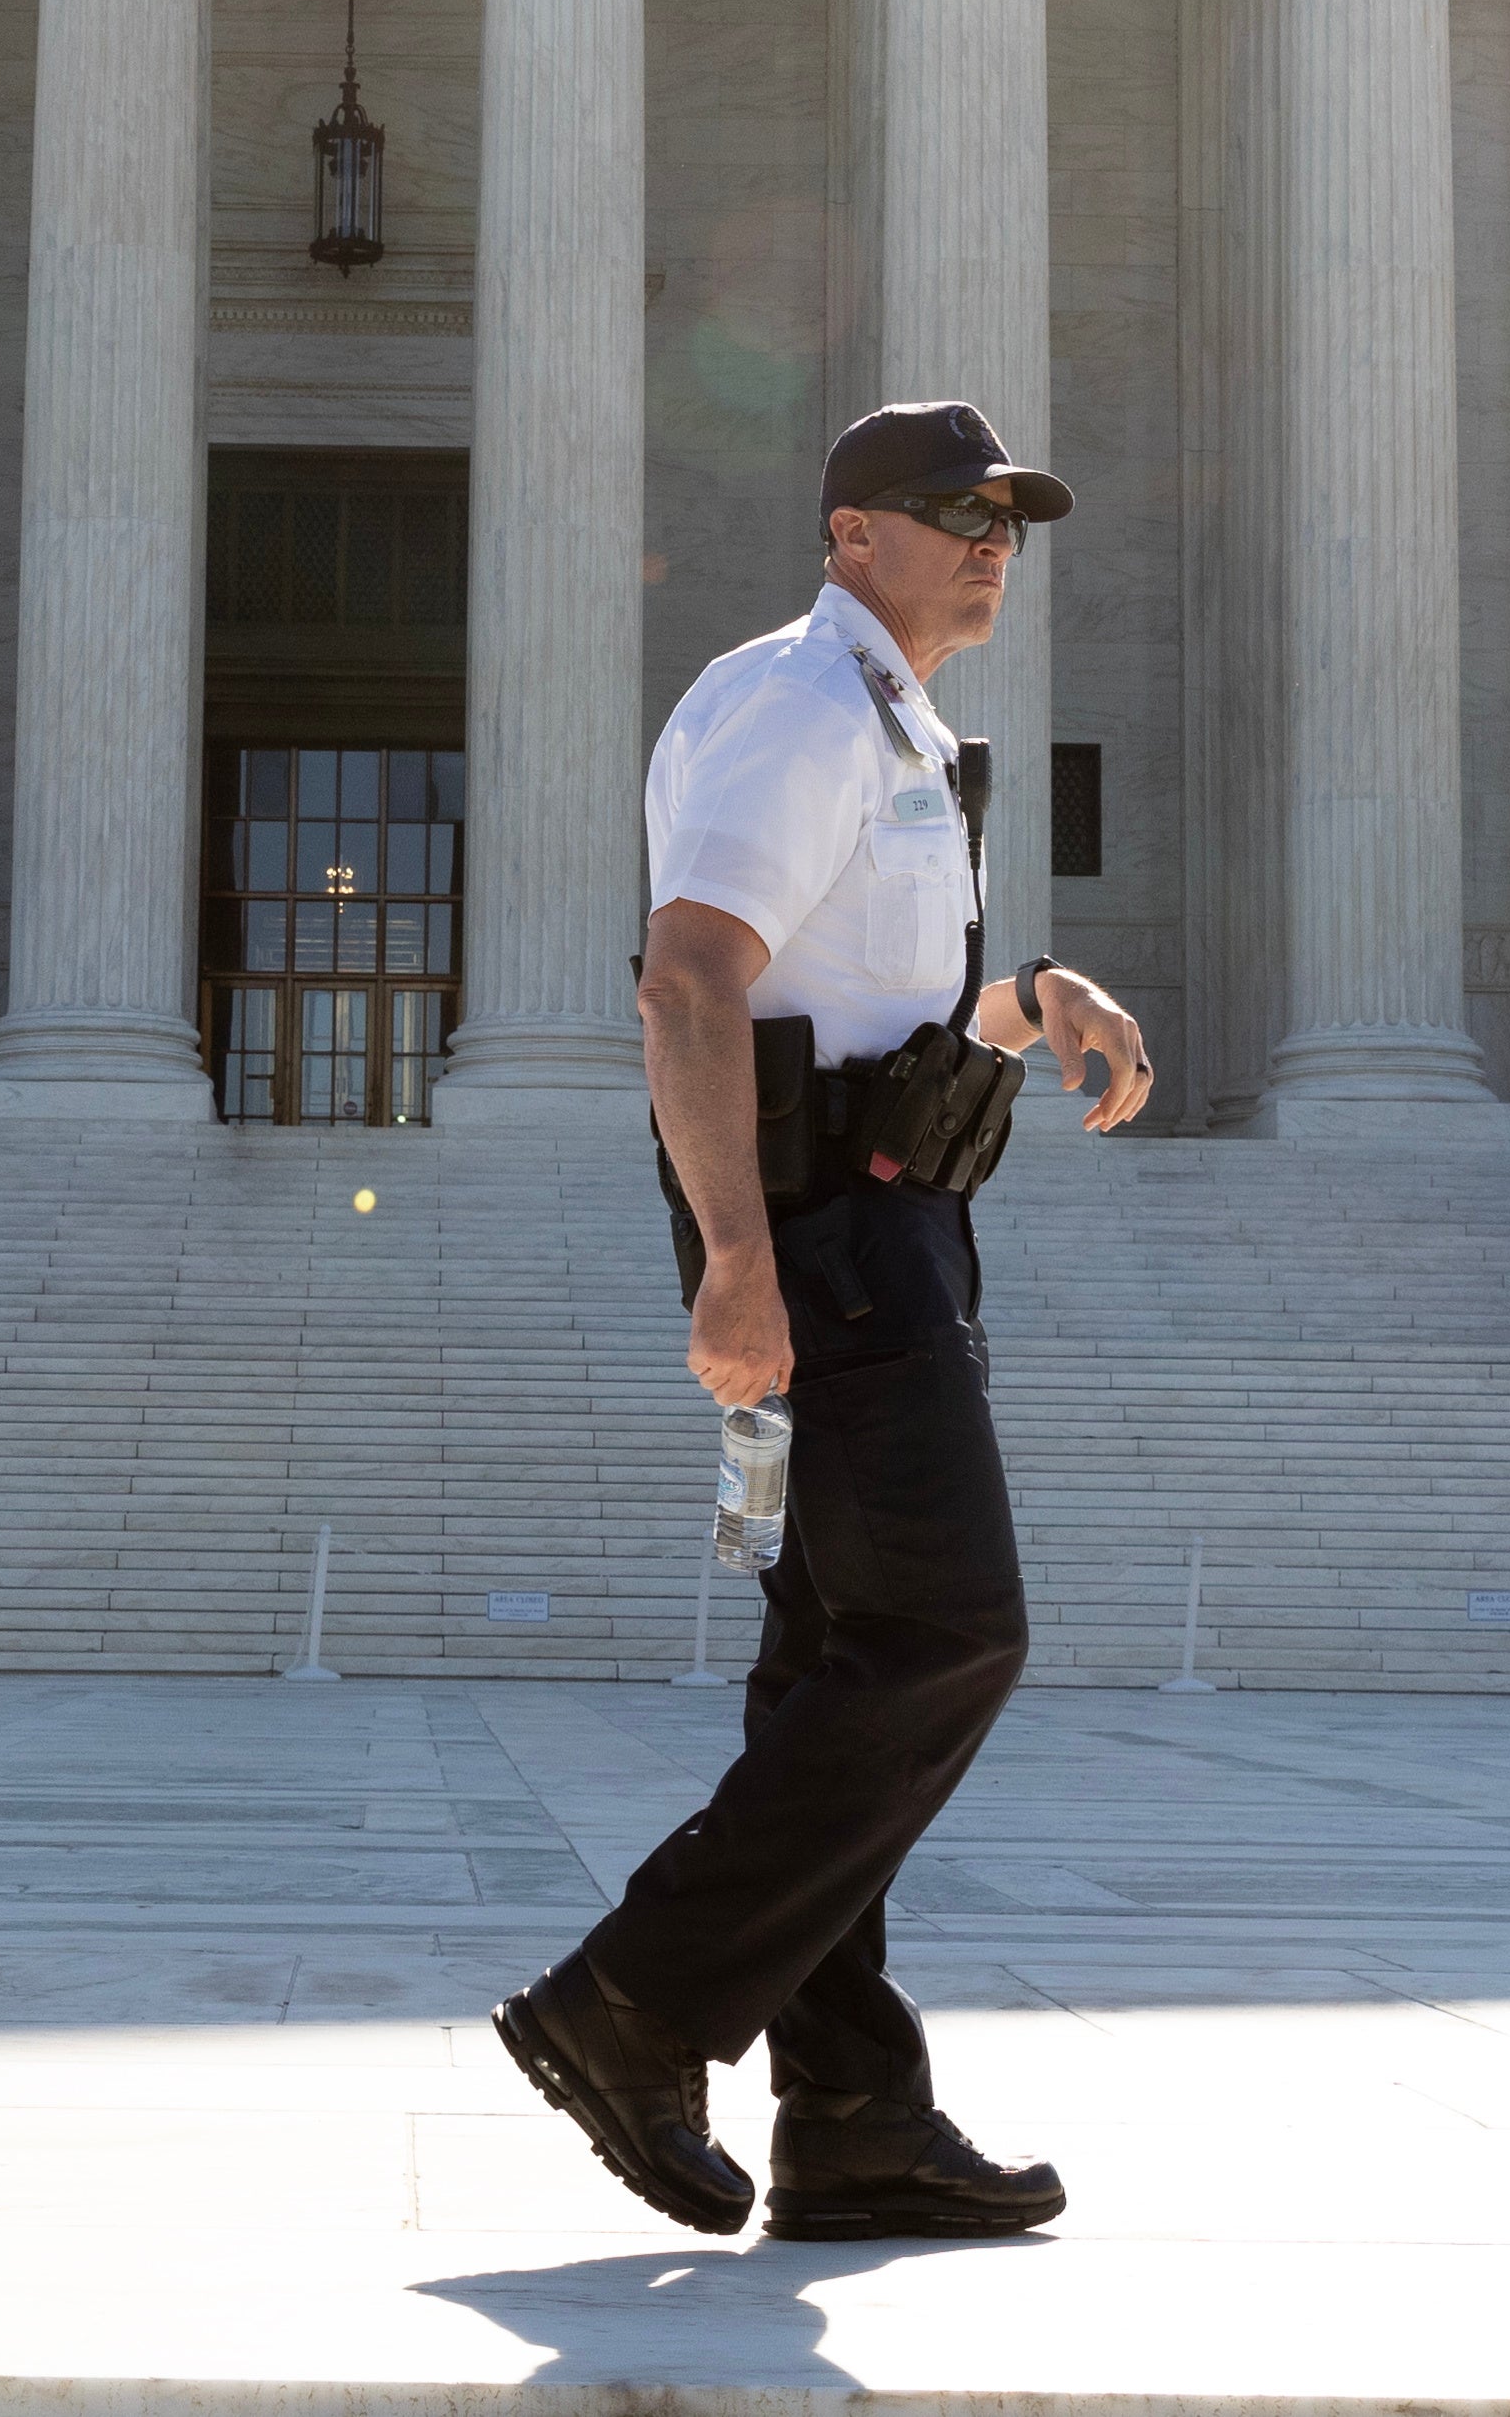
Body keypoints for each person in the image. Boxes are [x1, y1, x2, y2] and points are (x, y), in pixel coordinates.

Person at [494, 399, 1157, 2242]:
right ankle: (629, 1998)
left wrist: (1032, 995)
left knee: (828, 1670)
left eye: (1008, 511)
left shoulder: (892, 721)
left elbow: (862, 997)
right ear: (848, 529)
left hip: (886, 1213)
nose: (992, 538)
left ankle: (853, 2112)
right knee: (949, 1630)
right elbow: (691, 977)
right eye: (953, 509)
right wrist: (730, 1257)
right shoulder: (795, 703)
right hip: (824, 1240)